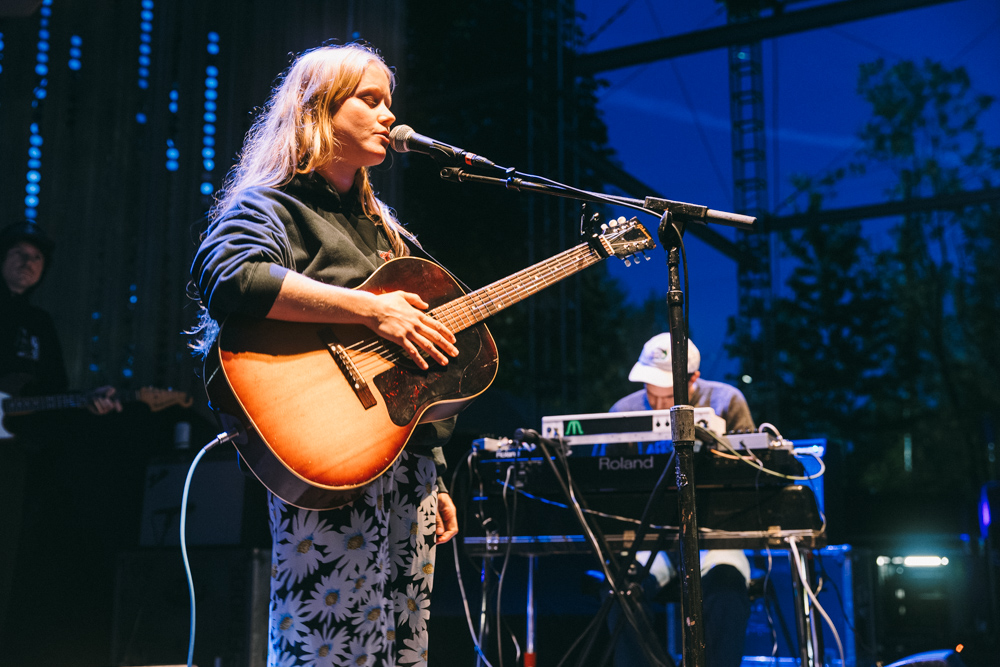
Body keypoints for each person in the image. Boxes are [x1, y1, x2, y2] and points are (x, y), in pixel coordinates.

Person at [190, 44, 460, 666]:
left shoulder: (390, 233)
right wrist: (372, 309)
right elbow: (231, 276)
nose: (389, 115)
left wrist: (437, 471)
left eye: (389, 101)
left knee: (403, 647)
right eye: (370, 99)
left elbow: (419, 373)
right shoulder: (272, 206)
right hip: (323, 456)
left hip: (406, 472)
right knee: (328, 647)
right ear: (318, 112)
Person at [606, 332, 754, 667]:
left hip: (713, 537)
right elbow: (611, 490)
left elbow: (747, 477)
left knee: (726, 590)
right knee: (620, 591)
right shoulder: (623, 411)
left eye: (668, 394)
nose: (658, 405)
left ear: (693, 378)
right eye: (650, 393)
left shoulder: (727, 400)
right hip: (650, 536)